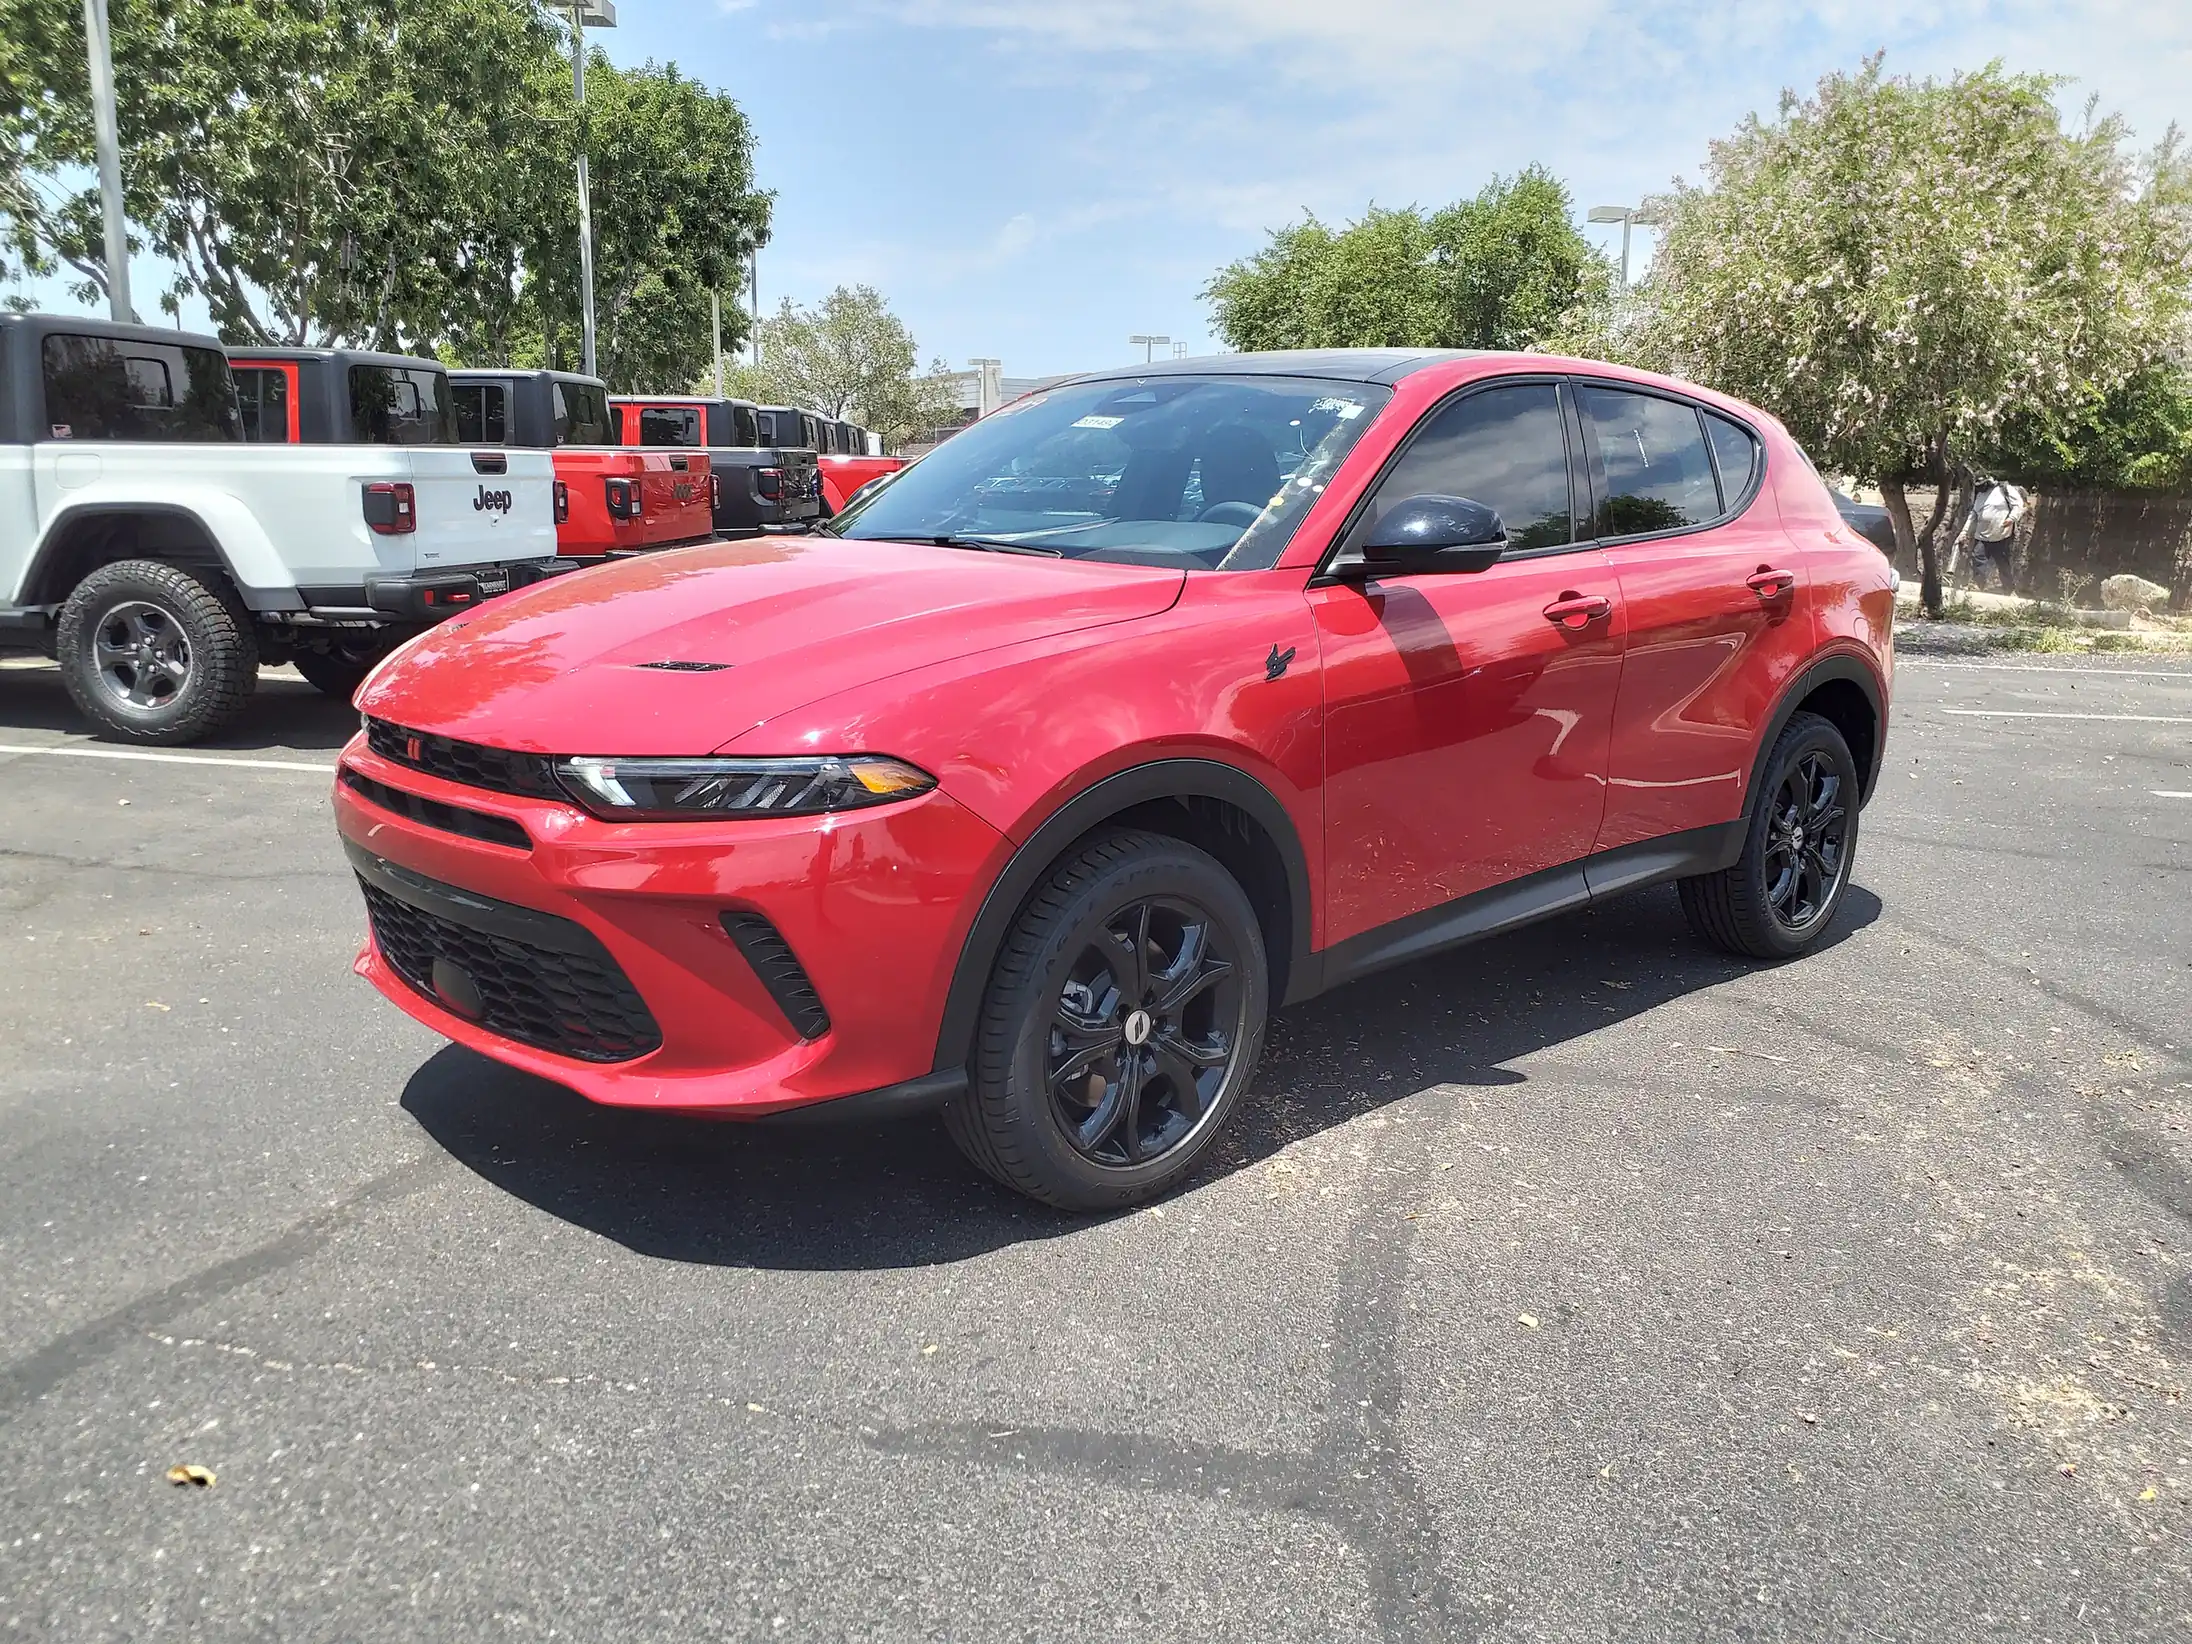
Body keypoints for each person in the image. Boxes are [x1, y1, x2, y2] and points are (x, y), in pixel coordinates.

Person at [1968, 476, 2026, 590]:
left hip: (2001, 534)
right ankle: (1978, 585)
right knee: (1978, 559)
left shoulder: (2004, 489)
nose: (1980, 487)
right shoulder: (1980, 495)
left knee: (2003, 562)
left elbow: (2018, 505)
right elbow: (1974, 514)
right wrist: (1966, 531)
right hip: (1982, 535)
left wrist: (2011, 518)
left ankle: (2008, 588)